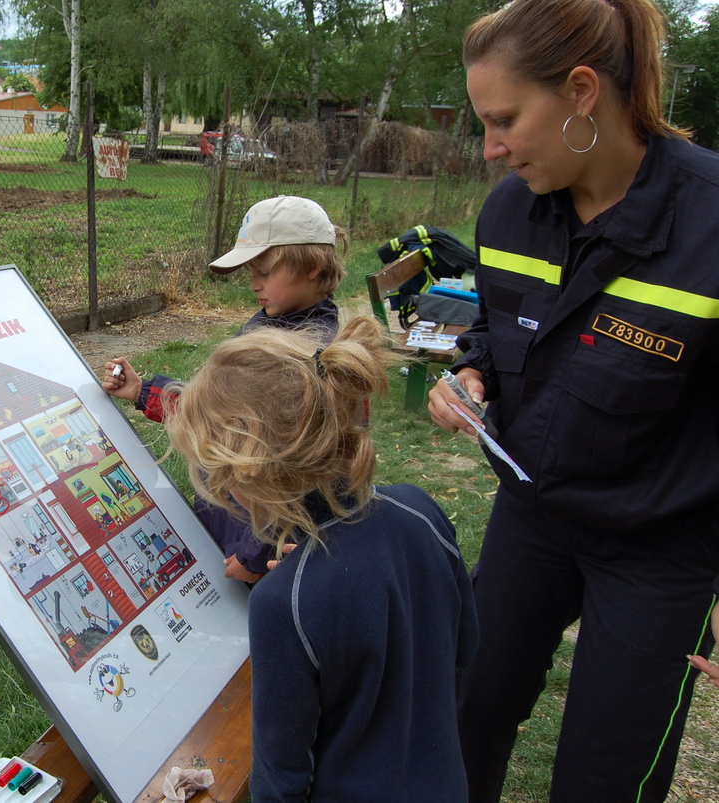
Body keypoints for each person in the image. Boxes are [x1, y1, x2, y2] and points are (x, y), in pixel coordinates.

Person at [427, 0, 719, 798]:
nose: (490, 148)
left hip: (663, 546)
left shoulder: (710, 223)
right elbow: (489, 330)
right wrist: (472, 376)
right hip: (534, 511)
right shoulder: (508, 213)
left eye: (506, 119)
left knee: (605, 774)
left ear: (582, 90)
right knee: (465, 707)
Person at [163, 320, 477, 802]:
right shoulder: (420, 510)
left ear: (243, 477)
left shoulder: (281, 602)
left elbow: (281, 777)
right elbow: (462, 651)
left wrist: (297, 597)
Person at [102, 194, 346, 583]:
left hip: (267, 554)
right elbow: (217, 413)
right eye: (251, 271)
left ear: (312, 266)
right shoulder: (272, 323)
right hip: (232, 523)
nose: (253, 284)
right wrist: (142, 391)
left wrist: (253, 559)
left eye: (263, 271)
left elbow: (287, 478)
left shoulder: (304, 361)